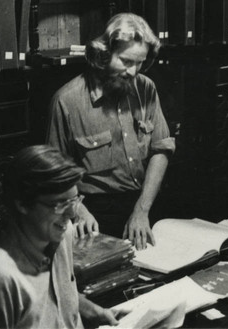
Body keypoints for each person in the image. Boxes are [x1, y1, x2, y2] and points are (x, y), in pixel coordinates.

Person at [47, 13, 175, 250]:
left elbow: (161, 148)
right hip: (93, 214)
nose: (134, 71)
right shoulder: (67, 101)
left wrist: (142, 209)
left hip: (144, 203)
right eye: (126, 61)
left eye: (139, 63)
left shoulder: (146, 88)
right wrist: (78, 209)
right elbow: (55, 174)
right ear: (103, 54)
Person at [0, 145, 124, 328]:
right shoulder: (1, 276)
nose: (71, 214)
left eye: (74, 201)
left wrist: (94, 311)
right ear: (23, 204)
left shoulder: (64, 233)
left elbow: (60, 293)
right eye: (60, 204)